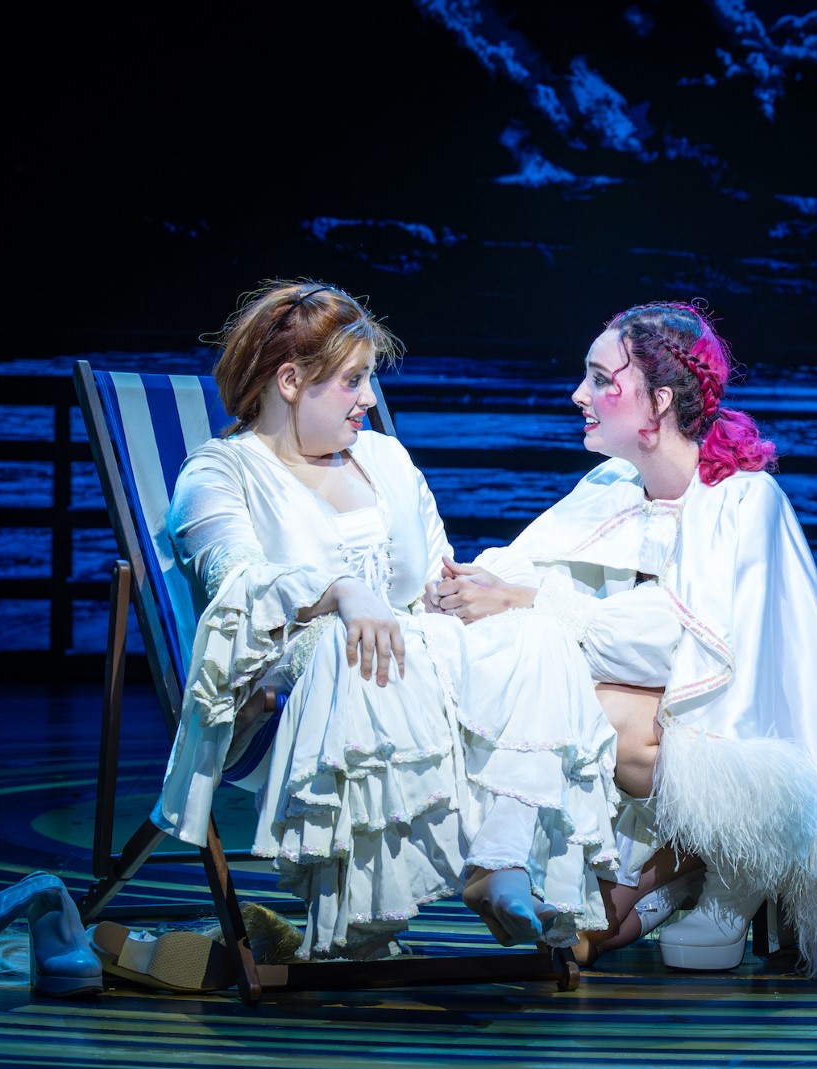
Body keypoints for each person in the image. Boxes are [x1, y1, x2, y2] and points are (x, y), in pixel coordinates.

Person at [434, 300, 817, 980]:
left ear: (656, 400)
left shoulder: (742, 500)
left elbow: (679, 644)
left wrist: (530, 603)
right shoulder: (611, 486)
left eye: (600, 378)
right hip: (648, 756)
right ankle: (678, 870)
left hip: (713, 747)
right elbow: (530, 565)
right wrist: (462, 584)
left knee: (581, 707)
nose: (579, 395)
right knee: (580, 938)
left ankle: (731, 863)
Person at [148, 278, 624, 964]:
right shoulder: (221, 476)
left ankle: (499, 856)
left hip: (408, 662)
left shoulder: (386, 460)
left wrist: (463, 597)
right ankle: (362, 920)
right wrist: (342, 590)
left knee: (534, 632)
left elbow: (430, 572)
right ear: (289, 380)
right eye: (352, 381)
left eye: (367, 379)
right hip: (280, 698)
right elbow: (239, 586)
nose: (369, 398)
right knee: (355, 642)